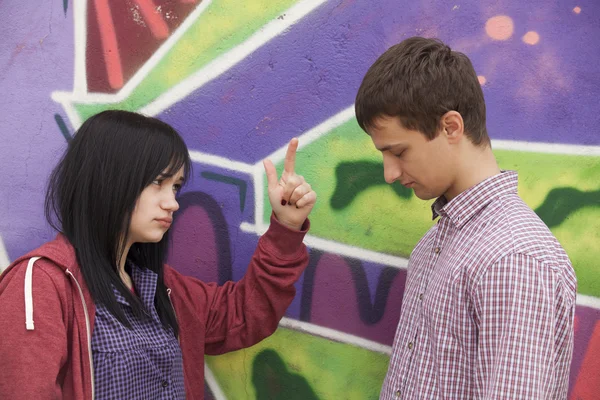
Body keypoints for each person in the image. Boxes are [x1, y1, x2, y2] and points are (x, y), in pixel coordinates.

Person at [0, 110, 317, 399]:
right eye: (157, 183)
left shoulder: (160, 287)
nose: (173, 203)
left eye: (176, 186)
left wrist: (287, 227)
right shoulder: (41, 284)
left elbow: (244, 315)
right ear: (107, 179)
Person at [354, 37, 577, 399]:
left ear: (451, 127)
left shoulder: (513, 260)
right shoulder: (438, 242)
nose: (389, 173)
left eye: (398, 152)